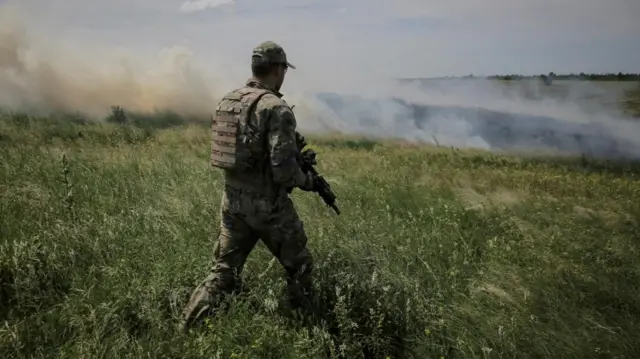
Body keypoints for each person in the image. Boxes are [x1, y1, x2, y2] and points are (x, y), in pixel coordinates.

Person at [180, 41, 317, 332]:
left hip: (233, 203)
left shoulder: (228, 100)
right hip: (269, 208)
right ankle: (305, 329)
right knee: (301, 268)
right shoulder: (276, 109)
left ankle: (187, 330)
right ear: (278, 69)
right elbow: (284, 172)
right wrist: (309, 182)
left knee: (222, 273)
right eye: (284, 70)